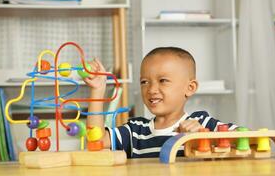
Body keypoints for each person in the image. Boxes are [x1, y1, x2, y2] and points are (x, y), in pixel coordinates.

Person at [84, 47, 237, 158]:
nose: (151, 89)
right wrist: (97, 90)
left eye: (163, 81)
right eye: (144, 82)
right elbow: (97, 140)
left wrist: (205, 138)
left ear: (190, 88)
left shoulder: (202, 123)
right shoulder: (135, 131)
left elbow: (244, 137)